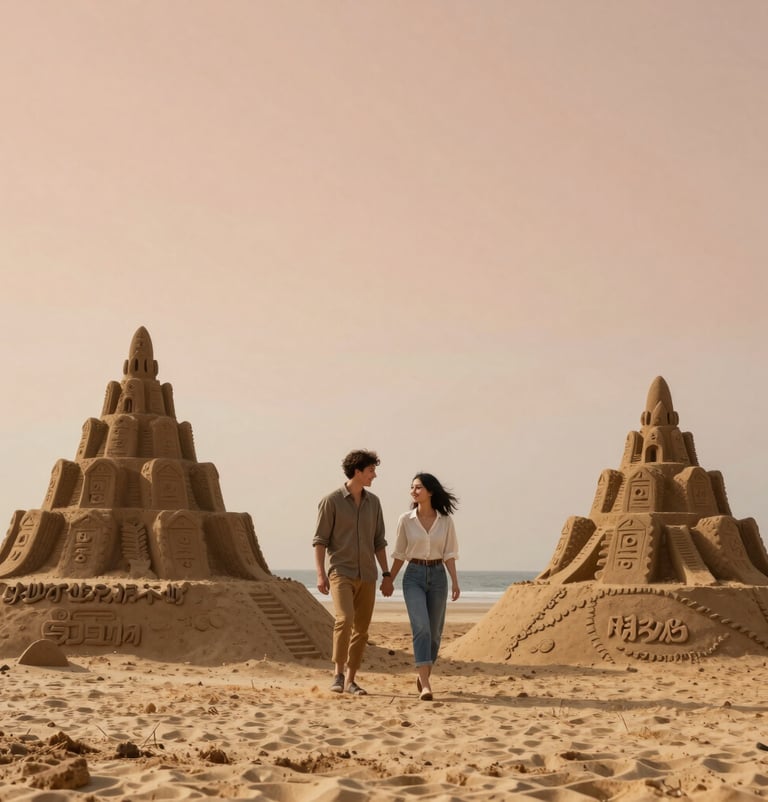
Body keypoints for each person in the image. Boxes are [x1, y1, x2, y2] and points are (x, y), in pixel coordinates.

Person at [313, 449, 393, 695]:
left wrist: (387, 574)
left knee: (362, 630)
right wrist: (320, 574)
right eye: (371, 470)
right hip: (341, 572)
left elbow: (379, 542)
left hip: (368, 575)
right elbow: (320, 540)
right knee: (344, 619)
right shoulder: (331, 501)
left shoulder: (374, 503)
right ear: (357, 472)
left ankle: (351, 680)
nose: (374, 475)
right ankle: (337, 675)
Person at [388, 472, 459, 701]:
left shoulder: (446, 521)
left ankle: (423, 673)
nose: (413, 491)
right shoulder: (405, 520)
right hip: (414, 576)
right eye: (412, 487)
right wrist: (389, 578)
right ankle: (426, 684)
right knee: (422, 627)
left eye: (418, 487)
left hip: (439, 577)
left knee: (436, 634)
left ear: (430, 491)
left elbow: (449, 553)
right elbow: (399, 553)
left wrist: (455, 581)